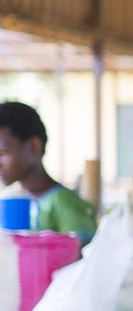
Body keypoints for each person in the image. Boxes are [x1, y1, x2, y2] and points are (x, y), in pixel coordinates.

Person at [0, 102, 96, 242]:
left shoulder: (65, 203)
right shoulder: (12, 201)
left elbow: (87, 259)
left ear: (34, 146)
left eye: (2, 153)